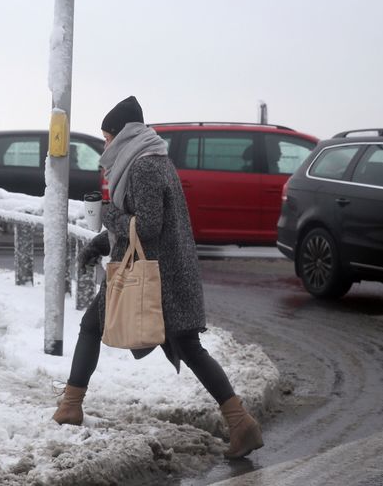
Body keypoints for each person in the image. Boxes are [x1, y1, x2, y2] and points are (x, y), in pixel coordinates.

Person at [51, 96, 264, 459]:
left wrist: (107, 217)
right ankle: (239, 421)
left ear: (123, 135)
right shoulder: (150, 160)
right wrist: (103, 244)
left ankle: (71, 405)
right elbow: (140, 224)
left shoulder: (144, 167)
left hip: (155, 277)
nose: (105, 146)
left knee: (96, 327)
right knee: (186, 347)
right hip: (163, 272)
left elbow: (147, 226)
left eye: (107, 138)